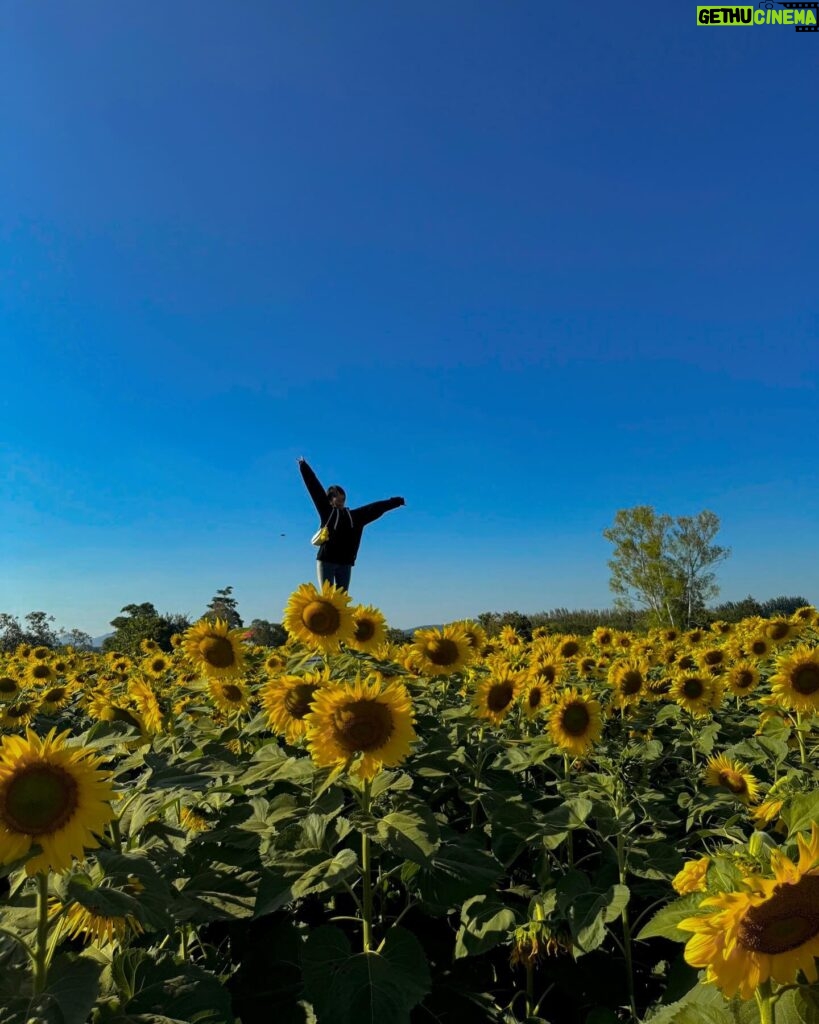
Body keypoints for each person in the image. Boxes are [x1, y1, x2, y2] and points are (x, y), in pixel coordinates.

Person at [297, 457, 405, 591]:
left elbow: (374, 508)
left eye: (342, 496)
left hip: (345, 563)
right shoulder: (328, 512)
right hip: (326, 561)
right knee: (328, 598)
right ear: (330, 499)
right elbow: (315, 489)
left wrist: (395, 502)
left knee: (342, 600)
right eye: (336, 495)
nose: (341, 499)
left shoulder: (354, 517)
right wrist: (304, 466)